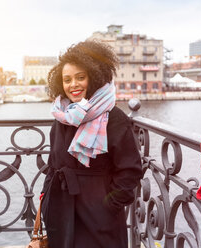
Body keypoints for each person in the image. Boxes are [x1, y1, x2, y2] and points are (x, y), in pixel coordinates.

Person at [40, 40, 143, 248]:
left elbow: (130, 170)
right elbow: (53, 163)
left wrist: (107, 206)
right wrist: (47, 198)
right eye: (67, 80)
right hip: (62, 209)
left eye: (80, 77)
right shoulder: (62, 117)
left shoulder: (113, 118)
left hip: (99, 215)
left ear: (94, 78)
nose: (73, 85)